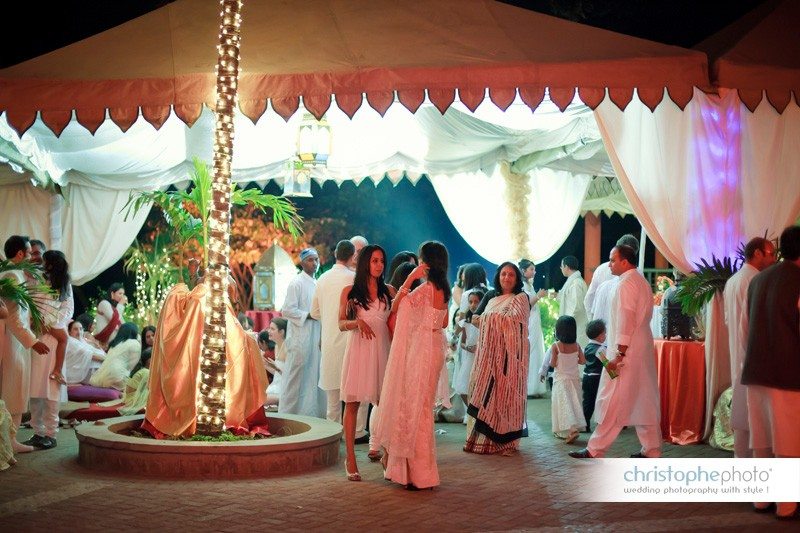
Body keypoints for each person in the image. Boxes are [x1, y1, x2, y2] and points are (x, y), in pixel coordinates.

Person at [143, 278, 269, 438]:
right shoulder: (207, 299)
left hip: (202, 357)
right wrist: (247, 338)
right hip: (210, 357)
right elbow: (233, 331)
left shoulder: (194, 299)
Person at [570, 244, 661, 459]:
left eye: (612, 260)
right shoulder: (639, 280)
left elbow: (625, 319)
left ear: (625, 262)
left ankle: (595, 449)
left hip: (627, 352)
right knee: (643, 398)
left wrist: (619, 354)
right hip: (640, 348)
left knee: (613, 399)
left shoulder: (627, 284)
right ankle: (652, 449)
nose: (609, 264)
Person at [375, 241, 450, 490]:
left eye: (420, 259)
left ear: (426, 262)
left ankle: (415, 474)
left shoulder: (426, 290)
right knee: (423, 407)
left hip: (422, 351)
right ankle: (419, 471)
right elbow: (445, 322)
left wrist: (409, 278)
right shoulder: (444, 290)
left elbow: (397, 306)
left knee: (413, 407)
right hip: (436, 347)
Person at [741, 225, 800, 519]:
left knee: (762, 439)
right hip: (787, 372)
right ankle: (787, 504)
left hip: (755, 370)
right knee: (788, 440)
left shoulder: (758, 280)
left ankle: (762, 498)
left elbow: (745, 329)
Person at [338, 244, 394, 480]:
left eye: (381, 261)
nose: (379, 265)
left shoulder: (389, 291)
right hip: (360, 349)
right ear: (364, 264)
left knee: (386, 403)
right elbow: (341, 323)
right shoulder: (350, 291)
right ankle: (350, 457)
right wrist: (357, 323)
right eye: (374, 261)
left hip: (383, 349)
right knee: (353, 403)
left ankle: (389, 454)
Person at [464, 262, 530, 455]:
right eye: (503, 274)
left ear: (517, 278)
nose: (507, 278)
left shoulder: (520, 298)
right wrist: (486, 319)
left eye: (511, 275)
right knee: (485, 394)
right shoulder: (491, 296)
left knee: (507, 397)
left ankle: (506, 442)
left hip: (511, 359)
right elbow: (475, 318)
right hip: (488, 357)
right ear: (498, 277)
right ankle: (482, 441)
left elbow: (515, 323)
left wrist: (489, 318)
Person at [722, 237, 775, 458]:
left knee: (743, 411)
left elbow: (728, 320)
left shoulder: (733, 281)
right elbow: (757, 321)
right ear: (757, 253)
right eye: (770, 253)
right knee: (756, 412)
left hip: (737, 352)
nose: (774, 258)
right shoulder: (758, 281)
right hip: (753, 354)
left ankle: (741, 457)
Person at [0, 235, 51, 454]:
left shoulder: (15, 273)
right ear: (20, 254)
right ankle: (9, 440)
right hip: (13, 343)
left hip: (15, 341)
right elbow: (12, 316)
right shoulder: (12, 274)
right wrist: (33, 342)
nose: (32, 257)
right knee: (14, 389)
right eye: (30, 253)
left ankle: (9, 440)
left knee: (15, 388)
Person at [310, 240, 365, 434]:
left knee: (332, 399)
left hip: (330, 342)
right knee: (357, 393)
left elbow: (314, 312)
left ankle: (331, 433)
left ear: (335, 254)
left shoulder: (322, 278)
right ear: (353, 257)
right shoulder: (355, 278)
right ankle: (357, 432)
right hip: (353, 338)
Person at [24, 250, 72, 451]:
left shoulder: (65, 285)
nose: (40, 261)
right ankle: (37, 432)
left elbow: (68, 310)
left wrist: (51, 325)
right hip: (37, 336)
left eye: (43, 259)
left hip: (54, 337)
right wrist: (36, 323)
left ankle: (51, 434)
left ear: (51, 264)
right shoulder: (37, 279)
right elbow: (29, 301)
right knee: (35, 389)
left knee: (51, 390)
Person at [279, 248, 326, 418]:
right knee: (296, 377)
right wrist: (308, 316)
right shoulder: (296, 283)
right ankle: (287, 416)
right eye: (310, 260)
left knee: (313, 377)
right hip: (300, 337)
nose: (314, 263)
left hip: (315, 337)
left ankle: (311, 416)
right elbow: (287, 310)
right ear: (302, 262)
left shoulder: (318, 282)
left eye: (316, 259)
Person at [544, 316, 585, 444]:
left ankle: (570, 430)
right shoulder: (577, 346)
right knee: (574, 404)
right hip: (574, 380)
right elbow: (583, 361)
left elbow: (553, 364)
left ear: (559, 330)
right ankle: (571, 430)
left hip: (561, 380)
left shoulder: (556, 346)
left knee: (563, 405)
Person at [584, 234, 639, 320]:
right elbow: (589, 298)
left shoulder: (601, 269)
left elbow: (589, 299)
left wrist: (592, 321)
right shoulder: (637, 273)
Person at [452, 288, 483, 417]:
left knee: (478, 387)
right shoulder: (465, 322)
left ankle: (480, 413)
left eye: (476, 302)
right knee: (462, 387)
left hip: (481, 359)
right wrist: (468, 348)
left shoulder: (484, 319)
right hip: (469, 358)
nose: (473, 305)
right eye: (470, 302)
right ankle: (473, 412)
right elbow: (462, 342)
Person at [519, 259, 547, 397]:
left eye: (534, 269)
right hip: (529, 320)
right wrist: (538, 296)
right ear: (524, 271)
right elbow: (526, 303)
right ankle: (529, 388)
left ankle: (536, 387)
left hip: (535, 320)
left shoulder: (529, 284)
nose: (534, 272)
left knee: (536, 351)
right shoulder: (522, 286)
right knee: (531, 350)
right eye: (531, 269)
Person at [89, 323, 141, 390]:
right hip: (117, 377)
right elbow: (130, 367)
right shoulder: (135, 343)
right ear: (135, 332)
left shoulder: (114, 344)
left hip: (101, 378)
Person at [557, 256, 589, 347]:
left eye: (561, 266)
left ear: (566, 267)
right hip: (573, 325)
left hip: (575, 326)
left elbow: (576, 307)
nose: (561, 269)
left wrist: (565, 324)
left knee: (576, 356)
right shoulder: (574, 281)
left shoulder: (576, 283)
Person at [581, 319, 607, 433]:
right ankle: (604, 423)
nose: (605, 335)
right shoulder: (601, 349)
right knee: (602, 400)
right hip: (597, 378)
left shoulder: (587, 347)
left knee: (587, 401)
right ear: (600, 336)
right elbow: (607, 364)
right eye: (604, 333)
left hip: (586, 377)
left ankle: (584, 424)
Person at [263, 317, 288, 407]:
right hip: (275, 385)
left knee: (259, 400)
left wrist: (275, 367)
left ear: (282, 332)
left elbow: (290, 376)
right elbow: (277, 373)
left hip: (284, 388)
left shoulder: (287, 348)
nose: (269, 331)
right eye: (269, 328)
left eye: (272, 329)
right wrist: (265, 365)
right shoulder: (277, 347)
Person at [93, 282, 127, 347]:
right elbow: (114, 319)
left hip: (114, 341)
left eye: (123, 294)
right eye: (120, 293)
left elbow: (122, 323)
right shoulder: (104, 303)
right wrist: (121, 304)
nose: (122, 296)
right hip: (104, 341)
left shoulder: (114, 307)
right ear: (112, 293)